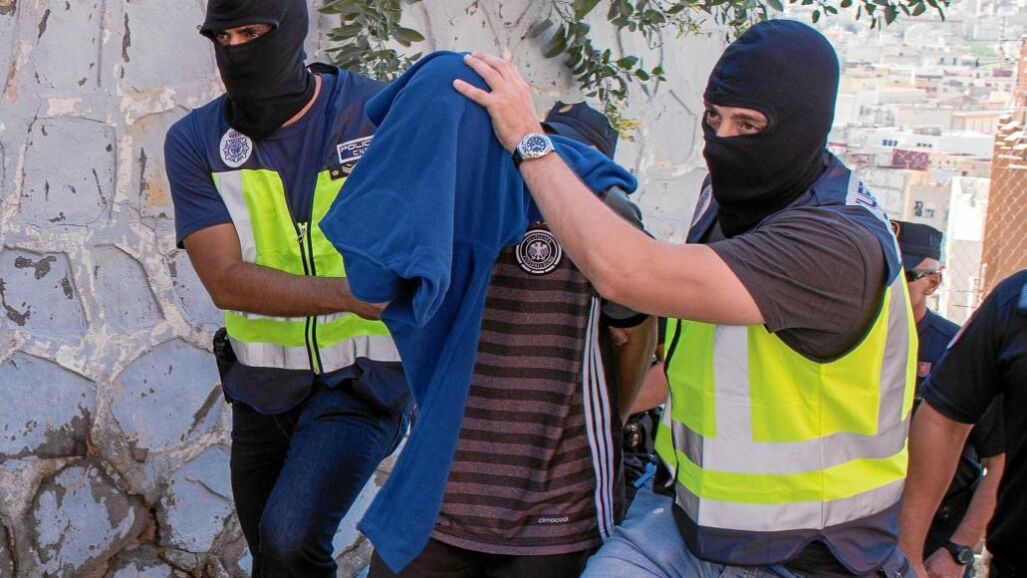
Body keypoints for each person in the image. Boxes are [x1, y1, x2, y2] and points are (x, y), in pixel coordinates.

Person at [456, 19, 916, 577]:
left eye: (749, 124)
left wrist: (531, 143)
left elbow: (627, 274)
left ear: (806, 126)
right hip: (681, 517)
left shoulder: (836, 246)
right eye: (713, 118)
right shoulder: (731, 196)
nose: (723, 141)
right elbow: (707, 362)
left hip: (803, 551)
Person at [164, 1, 410, 575]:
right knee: (272, 559)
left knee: (288, 540)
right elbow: (224, 280)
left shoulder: (376, 116)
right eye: (221, 37)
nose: (236, 50)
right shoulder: (196, 140)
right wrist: (351, 295)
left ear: (293, 29)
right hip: (262, 388)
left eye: (251, 32)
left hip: (364, 381)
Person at [363, 101, 655, 578]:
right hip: (443, 490)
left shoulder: (610, 227)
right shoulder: (470, 203)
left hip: (555, 504)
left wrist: (608, 419)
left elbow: (637, 331)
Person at [892, 220, 1005, 578]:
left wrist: (958, 550)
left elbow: (999, 460)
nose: (886, 285)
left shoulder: (956, 350)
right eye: (881, 271)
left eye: (901, 275)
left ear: (933, 282)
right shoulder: (847, 340)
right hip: (860, 529)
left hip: (937, 535)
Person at [900, 269, 1027, 578]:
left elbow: (996, 458)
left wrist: (960, 548)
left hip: (951, 515)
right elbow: (942, 420)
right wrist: (908, 555)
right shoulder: (1015, 300)